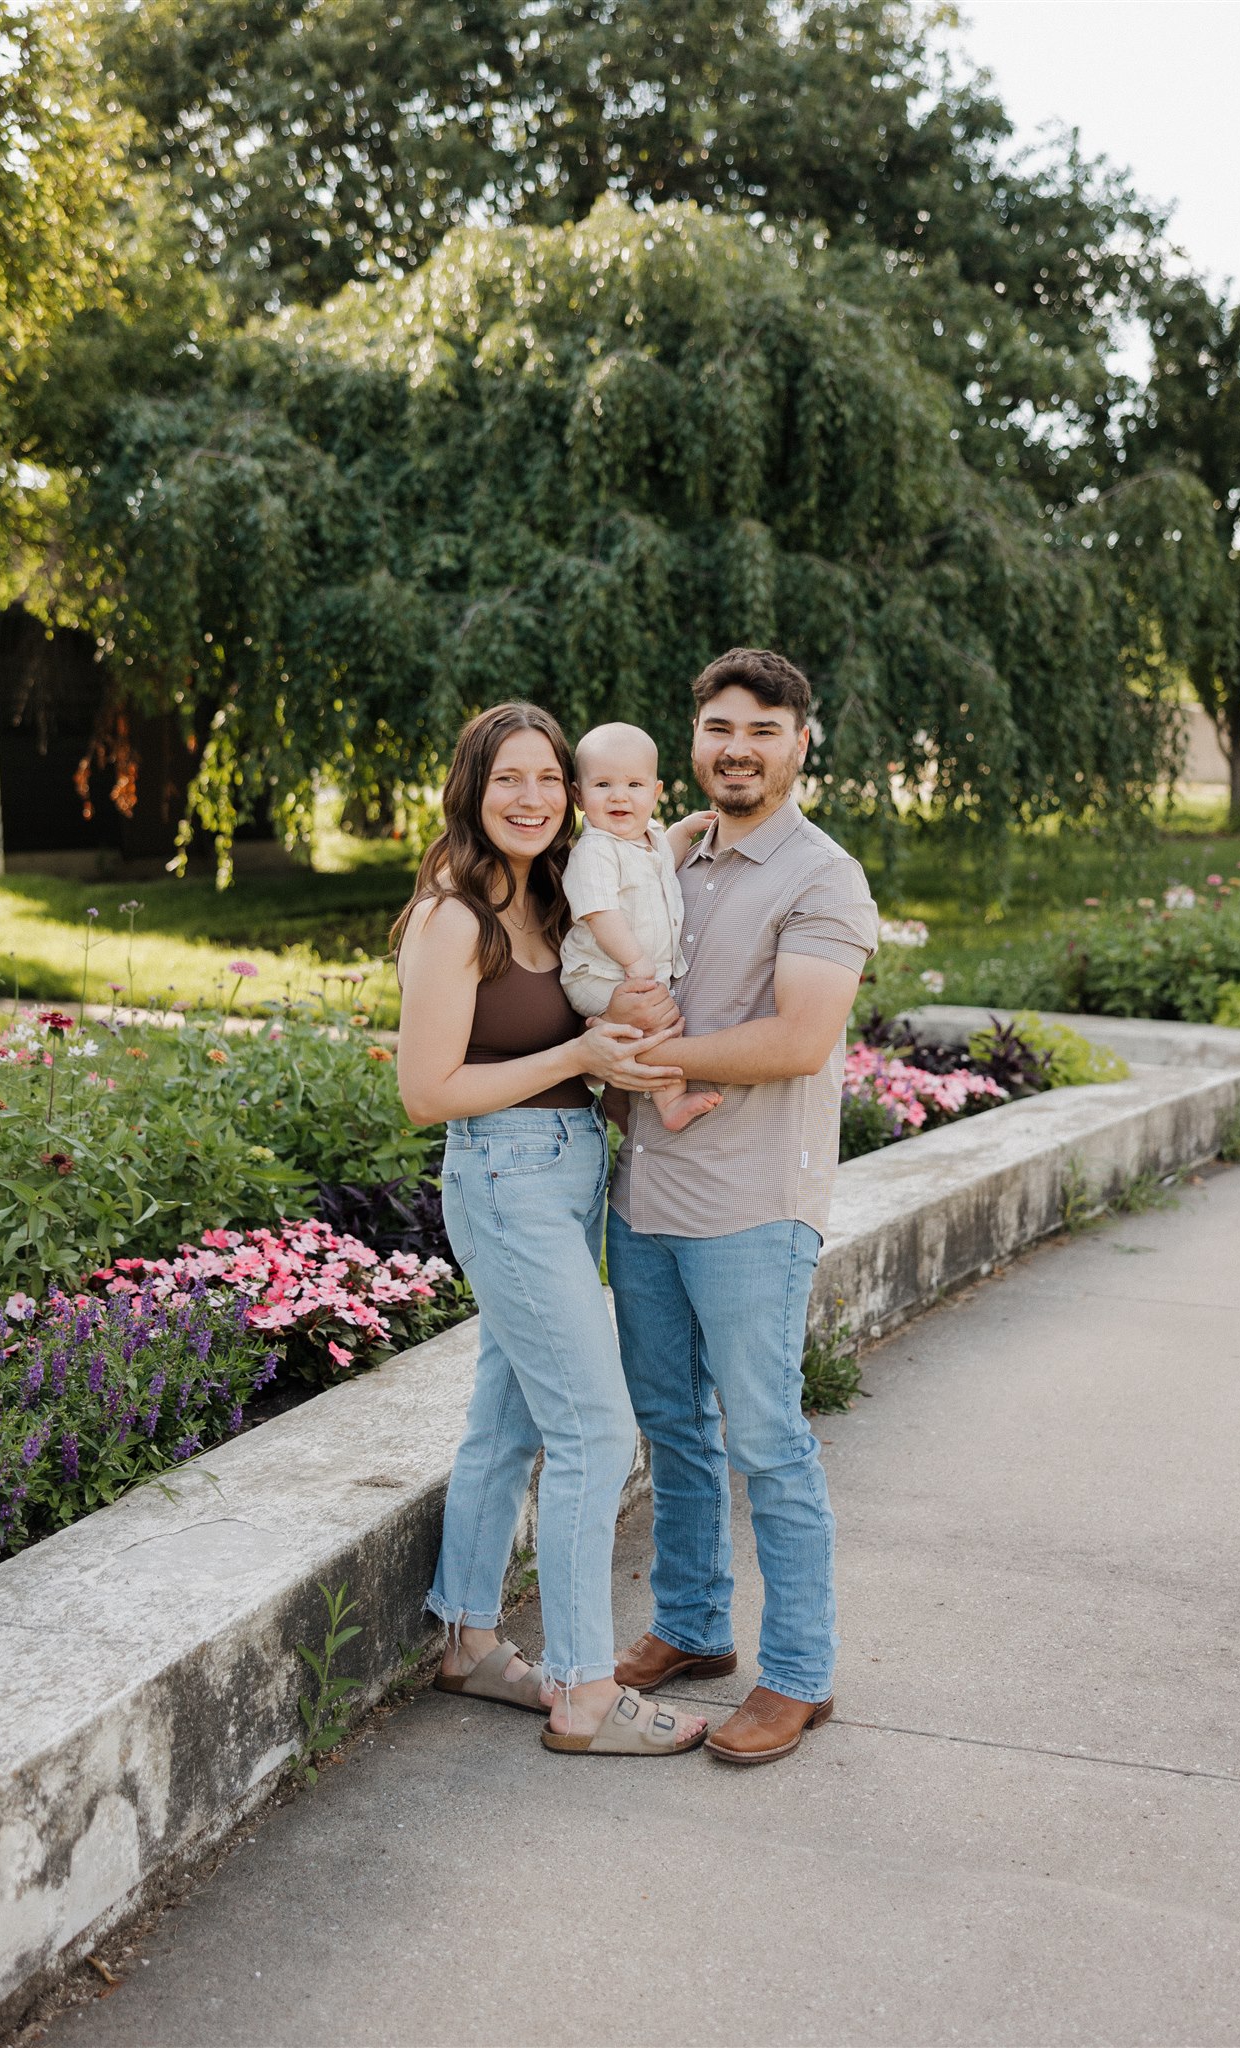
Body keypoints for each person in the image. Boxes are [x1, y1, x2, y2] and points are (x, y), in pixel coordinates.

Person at [394, 701, 708, 1757]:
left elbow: (638, 857)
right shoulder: (454, 916)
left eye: (545, 779)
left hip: (568, 1171)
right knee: (594, 1428)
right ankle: (582, 1689)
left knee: (510, 1418)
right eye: (506, 780)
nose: (529, 798)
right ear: (471, 793)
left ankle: (469, 1640)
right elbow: (427, 1090)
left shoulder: (548, 895)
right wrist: (578, 1056)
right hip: (506, 1177)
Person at [603, 648, 879, 1765]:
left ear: (800, 742)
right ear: (695, 734)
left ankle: (800, 1673)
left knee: (765, 1440)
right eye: (719, 725)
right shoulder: (675, 852)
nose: (736, 746)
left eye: (761, 729)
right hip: (647, 1194)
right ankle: (692, 1622)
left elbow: (798, 1038)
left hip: (755, 1206)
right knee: (670, 1425)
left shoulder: (821, 876)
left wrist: (654, 1055)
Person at [558, 719, 719, 1132]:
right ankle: (667, 1104)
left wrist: (683, 830)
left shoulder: (647, 840)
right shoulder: (595, 850)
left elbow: (666, 856)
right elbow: (599, 911)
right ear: (578, 795)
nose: (619, 796)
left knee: (659, 1021)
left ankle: (616, 1097)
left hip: (632, 973)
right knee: (655, 1023)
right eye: (603, 785)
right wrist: (635, 960)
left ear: (655, 792)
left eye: (634, 785)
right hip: (597, 973)